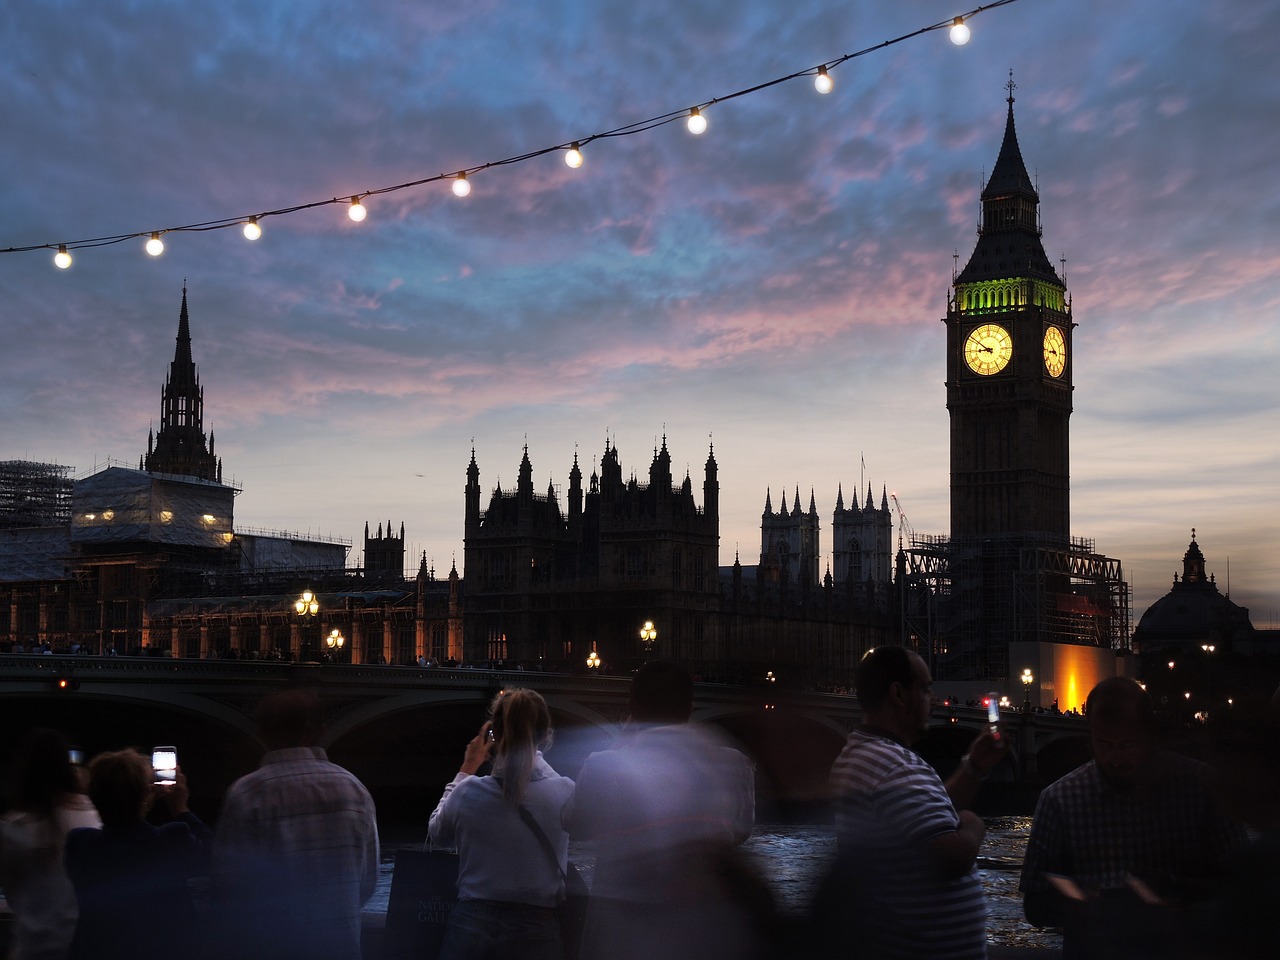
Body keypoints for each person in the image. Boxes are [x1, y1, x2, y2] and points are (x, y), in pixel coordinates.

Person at [1020, 676, 1248, 959]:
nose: (1115, 758)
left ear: (1149, 734)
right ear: (1089, 737)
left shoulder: (1204, 787)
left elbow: (1244, 884)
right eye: (1105, 745)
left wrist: (1175, 891)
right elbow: (1035, 905)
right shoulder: (1058, 800)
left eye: (1127, 745)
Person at [567, 659, 763, 960]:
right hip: (704, 932)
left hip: (621, 936)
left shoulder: (604, 765)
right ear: (690, 705)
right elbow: (741, 830)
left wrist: (621, 742)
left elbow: (574, 823)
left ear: (632, 706)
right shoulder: (732, 763)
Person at [825, 645, 1005, 960]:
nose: (932, 700)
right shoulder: (891, 764)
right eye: (924, 688)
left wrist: (973, 767)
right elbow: (952, 857)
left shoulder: (865, 755)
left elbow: (927, 820)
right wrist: (974, 826)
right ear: (898, 694)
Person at [211, 688, 380, 960]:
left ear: (261, 734)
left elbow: (229, 883)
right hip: (340, 945)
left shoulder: (247, 794)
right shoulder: (354, 789)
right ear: (320, 731)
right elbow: (368, 880)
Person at [427, 687, 576, 960]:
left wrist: (467, 768)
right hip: (537, 924)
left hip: (472, 920)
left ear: (492, 736)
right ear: (546, 735)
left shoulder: (469, 791)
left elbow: (437, 833)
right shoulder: (565, 792)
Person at [63, 749, 211, 960]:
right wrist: (180, 807)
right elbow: (212, 854)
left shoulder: (79, 844)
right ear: (146, 793)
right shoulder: (169, 839)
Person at [0, 729, 101, 960]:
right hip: (79, 946)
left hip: (31, 947)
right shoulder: (91, 817)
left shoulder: (13, 826)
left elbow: (14, 894)